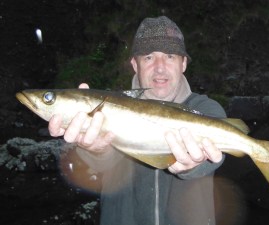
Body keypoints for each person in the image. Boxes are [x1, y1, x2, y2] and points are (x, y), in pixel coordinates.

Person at [49, 16, 226, 225]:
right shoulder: (105, 112)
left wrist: (192, 167)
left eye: (170, 56)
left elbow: (216, 157)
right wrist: (97, 151)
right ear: (135, 64)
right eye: (149, 57)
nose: (160, 67)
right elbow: (99, 167)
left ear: (183, 63)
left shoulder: (206, 109)